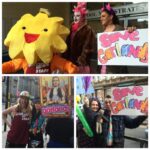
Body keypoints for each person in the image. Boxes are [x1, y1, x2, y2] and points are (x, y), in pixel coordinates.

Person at [99, 3, 136, 74]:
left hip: (117, 70)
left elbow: (129, 46)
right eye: (100, 17)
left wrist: (132, 31)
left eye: (103, 16)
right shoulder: (101, 33)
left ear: (111, 17)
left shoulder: (119, 29)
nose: (101, 19)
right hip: (104, 69)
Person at [63, 2, 96, 73]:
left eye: (78, 16)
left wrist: (81, 59)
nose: (75, 18)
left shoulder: (87, 29)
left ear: (83, 17)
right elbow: (67, 45)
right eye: (74, 16)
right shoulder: (71, 28)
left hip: (81, 65)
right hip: (70, 63)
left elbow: (88, 47)